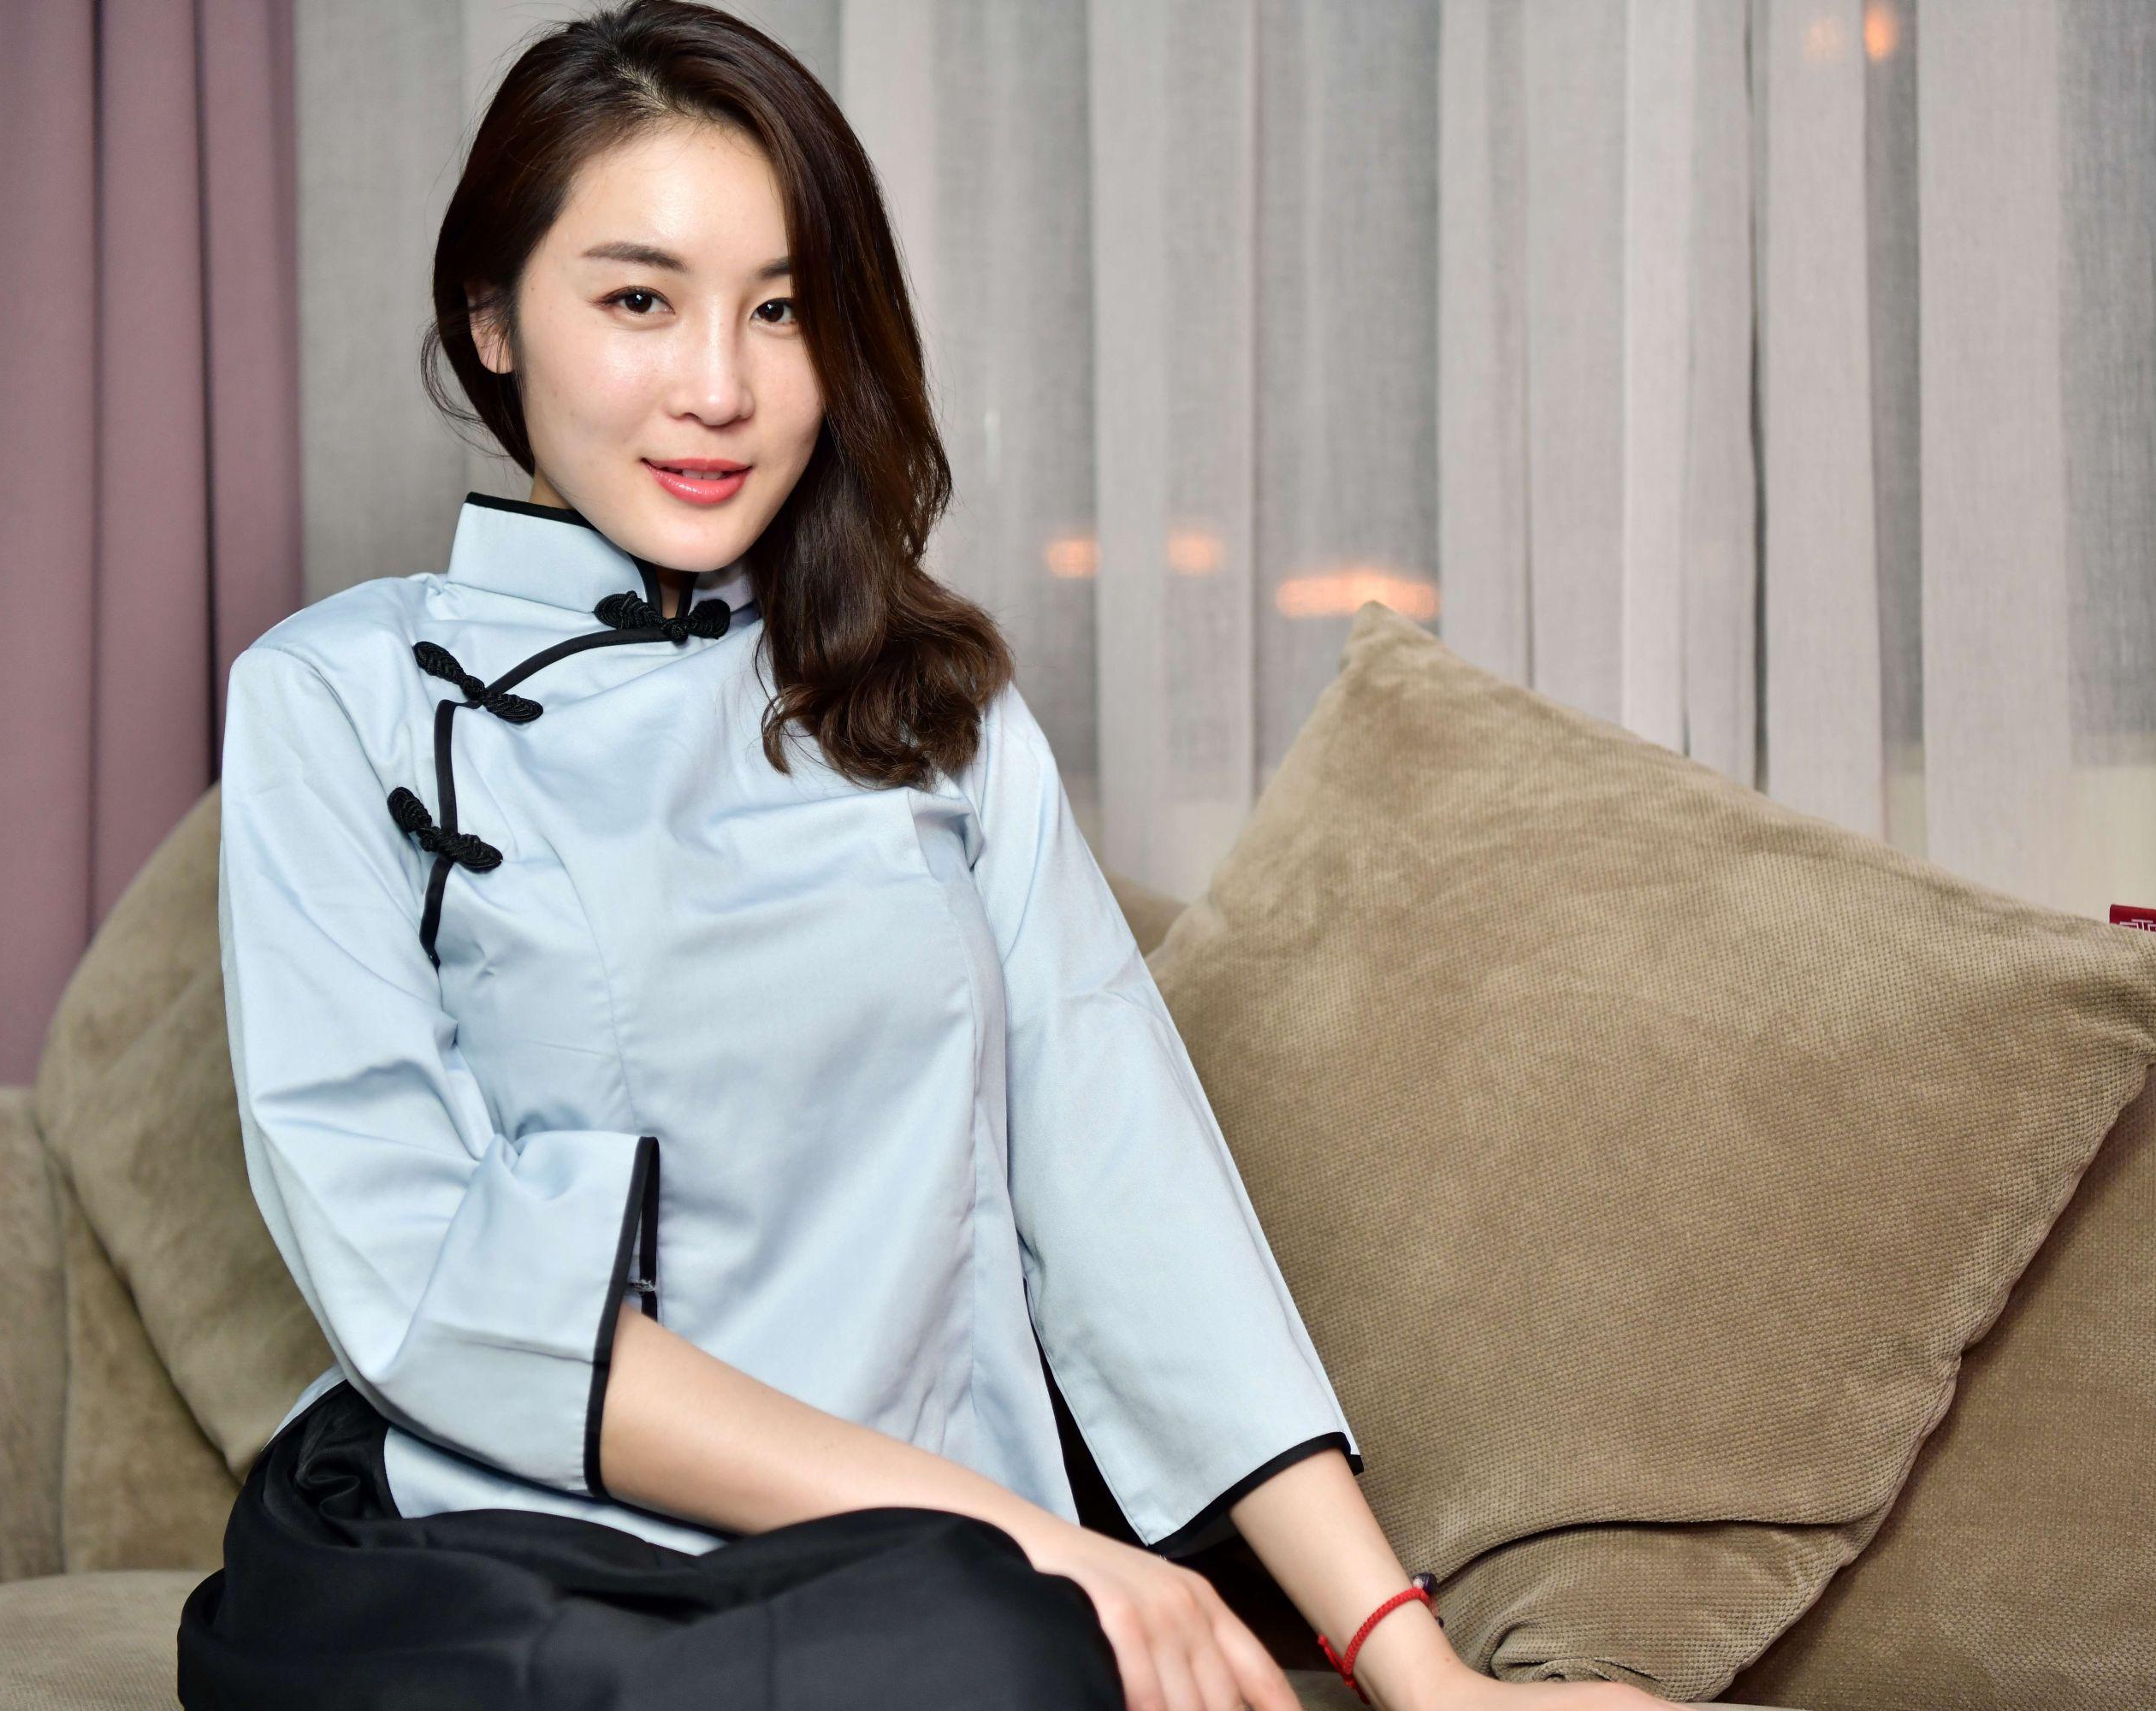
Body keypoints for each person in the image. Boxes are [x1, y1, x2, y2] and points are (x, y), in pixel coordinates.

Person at [177, 6, 1673, 1710]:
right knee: (992, 1649)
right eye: (640, 300)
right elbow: (427, 1284)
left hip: (922, 1572)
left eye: (782, 309)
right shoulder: (336, 695)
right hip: (495, 1543)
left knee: (996, 1652)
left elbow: (1130, 1187)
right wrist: (1029, 1539)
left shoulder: (927, 702)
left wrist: (1422, 1672)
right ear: (493, 320)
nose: (721, 388)